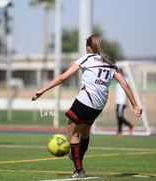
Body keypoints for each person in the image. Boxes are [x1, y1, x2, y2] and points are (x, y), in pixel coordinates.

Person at [31, 34, 142, 178]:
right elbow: (125, 84)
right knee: (84, 132)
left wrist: (42, 90)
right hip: (99, 105)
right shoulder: (111, 63)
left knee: (73, 134)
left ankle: (79, 170)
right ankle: (77, 156)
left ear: (89, 47)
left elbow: (63, 77)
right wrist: (135, 106)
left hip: (85, 101)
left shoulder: (87, 58)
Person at [115, 68, 134, 135]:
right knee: (118, 116)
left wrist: (127, 101)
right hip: (118, 101)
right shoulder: (118, 80)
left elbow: (127, 91)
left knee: (119, 116)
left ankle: (130, 126)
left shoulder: (125, 80)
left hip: (122, 101)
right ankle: (119, 131)